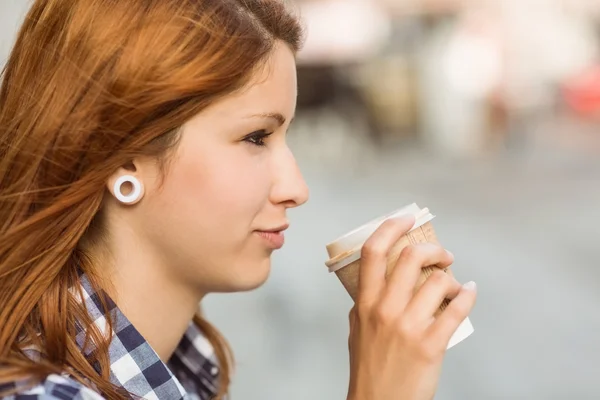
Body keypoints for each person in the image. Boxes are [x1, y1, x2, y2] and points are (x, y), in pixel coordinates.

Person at [0, 0, 477, 399]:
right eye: (255, 137)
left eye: (284, 136)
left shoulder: (183, 371)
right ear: (124, 159)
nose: (296, 189)